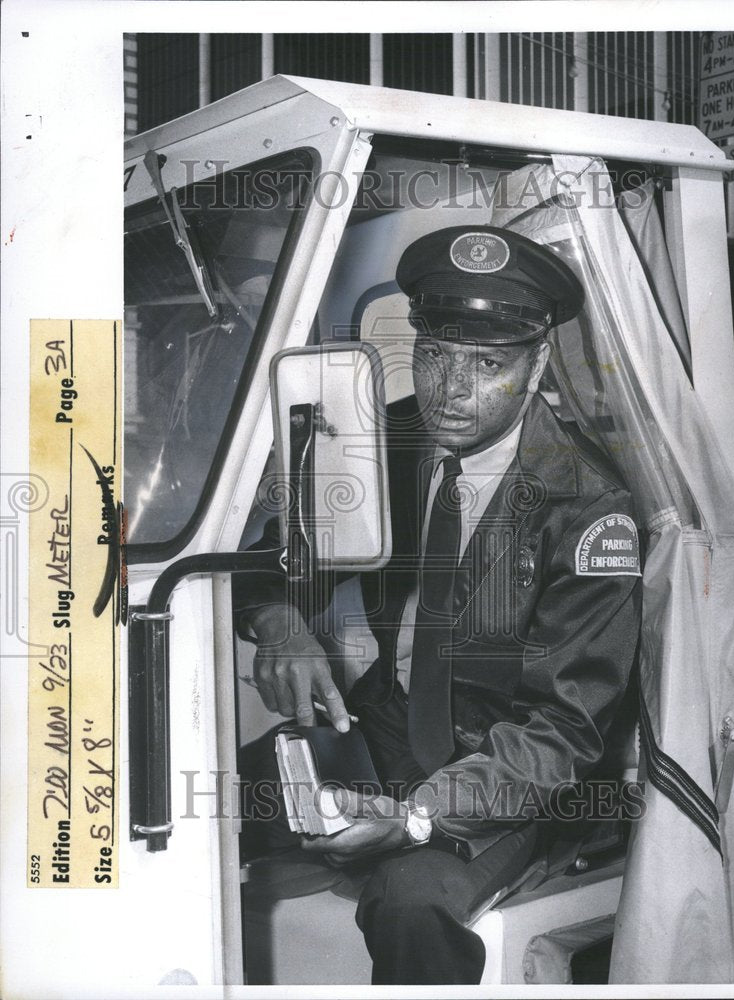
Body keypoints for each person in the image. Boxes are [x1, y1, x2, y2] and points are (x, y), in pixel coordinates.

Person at [234, 225, 642, 985]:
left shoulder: (586, 507)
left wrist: (415, 818)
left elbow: (559, 733)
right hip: (387, 725)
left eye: (486, 365)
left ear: (538, 362)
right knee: (214, 800)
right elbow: (266, 563)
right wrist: (281, 623)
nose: (451, 393)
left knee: (410, 901)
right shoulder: (386, 439)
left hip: (515, 775)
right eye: (433, 357)